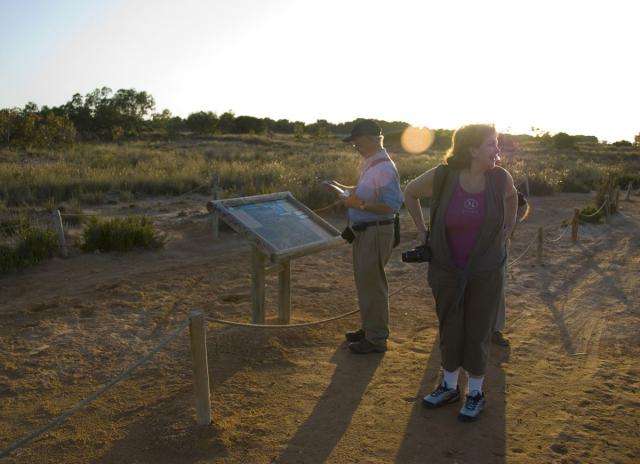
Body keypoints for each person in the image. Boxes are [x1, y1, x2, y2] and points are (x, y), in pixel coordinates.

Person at [403, 124, 518, 421]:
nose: (497, 150)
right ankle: (450, 386)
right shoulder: (443, 176)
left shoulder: (499, 178)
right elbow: (411, 192)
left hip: (486, 269)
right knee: (450, 325)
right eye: (492, 144)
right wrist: (422, 232)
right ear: (472, 150)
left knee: (479, 329)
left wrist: (507, 229)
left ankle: (476, 392)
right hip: (446, 267)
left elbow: (512, 198)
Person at [325, 119, 403, 354]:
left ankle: (376, 338)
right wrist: (341, 188)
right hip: (366, 232)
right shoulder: (373, 163)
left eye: (357, 142)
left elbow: (392, 205)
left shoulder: (384, 167)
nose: (355, 147)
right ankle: (370, 329)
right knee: (366, 283)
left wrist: (356, 203)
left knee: (373, 286)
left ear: (370, 139)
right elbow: (365, 193)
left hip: (375, 231)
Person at [492, 190, 530, 346]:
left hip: (496, 243)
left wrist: (512, 224)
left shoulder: (500, 179)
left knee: (496, 286)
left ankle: (494, 329)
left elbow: (521, 203)